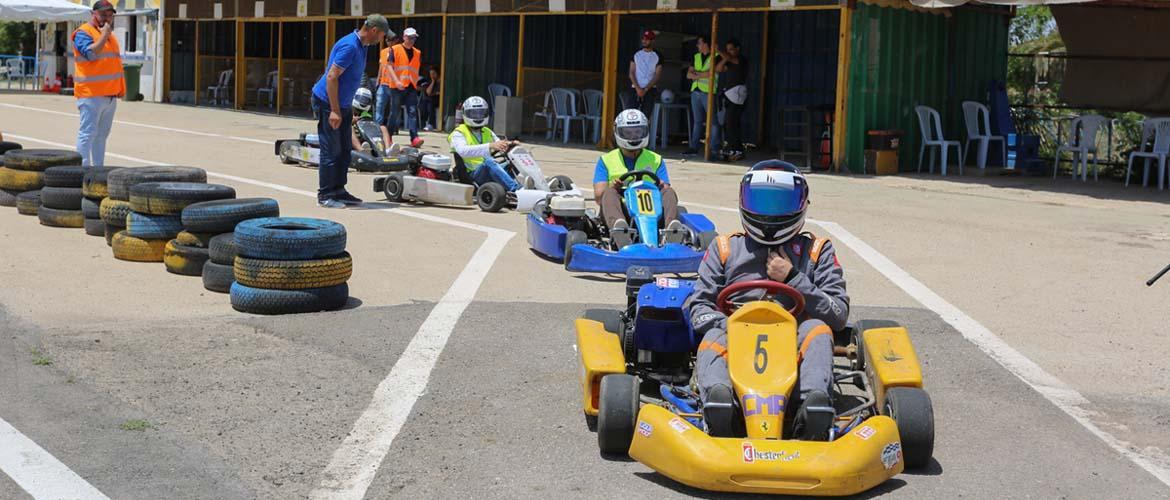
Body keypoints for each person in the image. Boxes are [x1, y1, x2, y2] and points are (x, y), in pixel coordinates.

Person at [684, 160, 848, 440]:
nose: (771, 213)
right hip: (734, 340)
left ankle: (811, 410)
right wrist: (731, 325)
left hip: (793, 341)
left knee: (818, 330)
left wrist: (793, 278)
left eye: (780, 203)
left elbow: (838, 313)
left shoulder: (816, 250)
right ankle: (721, 406)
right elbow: (698, 306)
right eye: (762, 202)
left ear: (802, 203)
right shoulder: (725, 248)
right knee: (711, 336)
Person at [311, 14, 390, 208]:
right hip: (328, 102)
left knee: (345, 149)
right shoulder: (350, 46)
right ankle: (326, 194)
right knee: (331, 149)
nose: (382, 40)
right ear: (373, 31)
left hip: (343, 104)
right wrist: (335, 111)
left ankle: (339, 190)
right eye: (382, 35)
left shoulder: (362, 46)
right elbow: (331, 77)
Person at [592, 109, 682, 248]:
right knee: (608, 193)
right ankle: (620, 232)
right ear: (619, 132)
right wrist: (614, 187)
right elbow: (598, 197)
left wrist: (662, 185)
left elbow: (666, 189)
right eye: (628, 132)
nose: (633, 136)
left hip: (653, 213)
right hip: (621, 210)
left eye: (637, 132)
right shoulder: (606, 160)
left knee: (669, 192)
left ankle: (671, 231)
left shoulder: (656, 159)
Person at [71, 1, 125, 167]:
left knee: (102, 135)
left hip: (109, 96)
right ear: (93, 14)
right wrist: (104, 35)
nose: (107, 18)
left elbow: (113, 64)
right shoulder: (83, 33)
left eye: (110, 15)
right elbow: (91, 55)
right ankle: (83, 170)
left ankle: (98, 169)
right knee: (87, 134)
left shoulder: (109, 36)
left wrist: (119, 89)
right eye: (103, 14)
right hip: (91, 95)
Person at [448, 96, 521, 192]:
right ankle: (516, 190)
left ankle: (535, 185)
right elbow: (463, 151)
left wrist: (509, 144)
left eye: (480, 113)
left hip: (488, 169)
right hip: (472, 174)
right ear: (465, 114)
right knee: (489, 162)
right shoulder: (459, 133)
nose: (478, 116)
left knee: (514, 162)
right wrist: (490, 146)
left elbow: (499, 144)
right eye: (474, 113)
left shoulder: (487, 131)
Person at [380, 27, 425, 148]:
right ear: (404, 37)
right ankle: (388, 137)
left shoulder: (417, 52)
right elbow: (389, 66)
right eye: (409, 38)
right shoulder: (394, 50)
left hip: (411, 86)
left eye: (414, 38)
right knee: (395, 112)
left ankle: (414, 137)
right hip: (396, 86)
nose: (411, 40)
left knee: (412, 111)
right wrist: (396, 81)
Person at [685, 35, 719, 157]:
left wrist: (696, 74)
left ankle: (713, 148)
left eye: (699, 43)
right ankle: (694, 147)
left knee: (713, 122)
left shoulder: (716, 56)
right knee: (698, 121)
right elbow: (688, 74)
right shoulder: (696, 56)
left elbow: (712, 73)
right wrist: (702, 75)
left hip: (708, 92)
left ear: (706, 44)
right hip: (696, 91)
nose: (697, 45)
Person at [714, 39, 748, 161]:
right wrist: (724, 58)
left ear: (738, 49)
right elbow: (718, 69)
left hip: (737, 95)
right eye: (727, 50)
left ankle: (737, 149)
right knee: (728, 123)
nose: (729, 52)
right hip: (729, 96)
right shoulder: (729, 61)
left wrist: (719, 51)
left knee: (732, 123)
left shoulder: (741, 60)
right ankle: (733, 147)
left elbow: (731, 59)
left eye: (731, 49)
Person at [621, 30, 662, 119]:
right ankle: (630, 133)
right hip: (635, 88)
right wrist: (638, 88)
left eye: (647, 39)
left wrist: (646, 89)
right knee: (630, 116)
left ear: (653, 41)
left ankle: (643, 133)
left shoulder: (658, 55)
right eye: (643, 39)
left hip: (650, 90)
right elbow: (631, 72)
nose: (644, 41)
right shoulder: (636, 53)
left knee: (645, 118)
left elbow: (657, 75)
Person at [349, 87, 393, 153]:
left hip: (366, 133)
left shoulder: (369, 110)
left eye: (366, 100)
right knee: (349, 128)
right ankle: (361, 150)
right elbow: (343, 122)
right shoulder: (348, 108)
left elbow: (373, 122)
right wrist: (352, 120)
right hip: (352, 135)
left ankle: (387, 150)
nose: (364, 101)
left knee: (383, 128)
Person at [417, 65, 441, 132]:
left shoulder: (441, 82)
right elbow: (428, 92)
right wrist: (433, 82)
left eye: (434, 74)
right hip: (430, 100)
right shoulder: (430, 81)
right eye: (431, 74)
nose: (432, 75)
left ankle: (431, 124)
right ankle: (423, 124)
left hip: (438, 100)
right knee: (424, 104)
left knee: (430, 102)